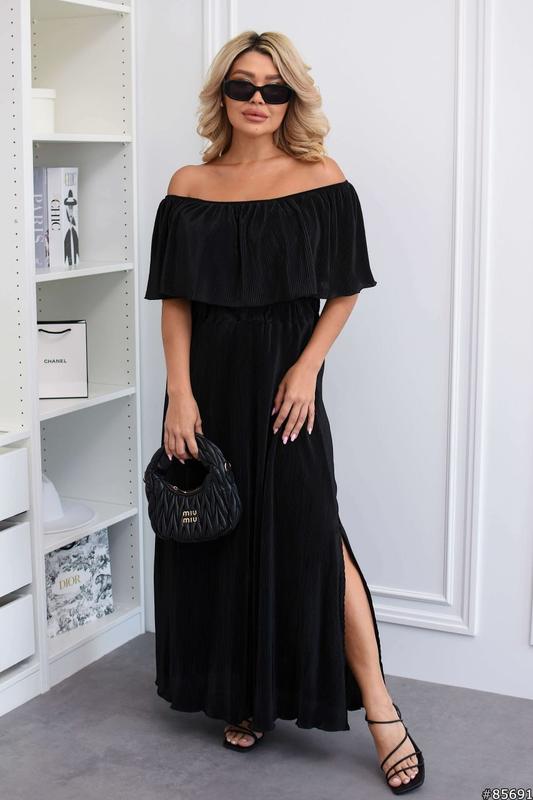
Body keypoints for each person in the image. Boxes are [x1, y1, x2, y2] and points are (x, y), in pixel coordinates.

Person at [144, 30, 425, 795]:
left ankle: (381, 711)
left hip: (284, 387)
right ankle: (248, 697)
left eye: (274, 88)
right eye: (243, 85)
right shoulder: (189, 184)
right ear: (222, 94)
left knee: (314, 535)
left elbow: (345, 288)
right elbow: (176, 301)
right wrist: (179, 392)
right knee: (223, 538)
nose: (258, 100)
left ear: (291, 97)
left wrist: (306, 367)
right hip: (206, 384)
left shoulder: (320, 178)